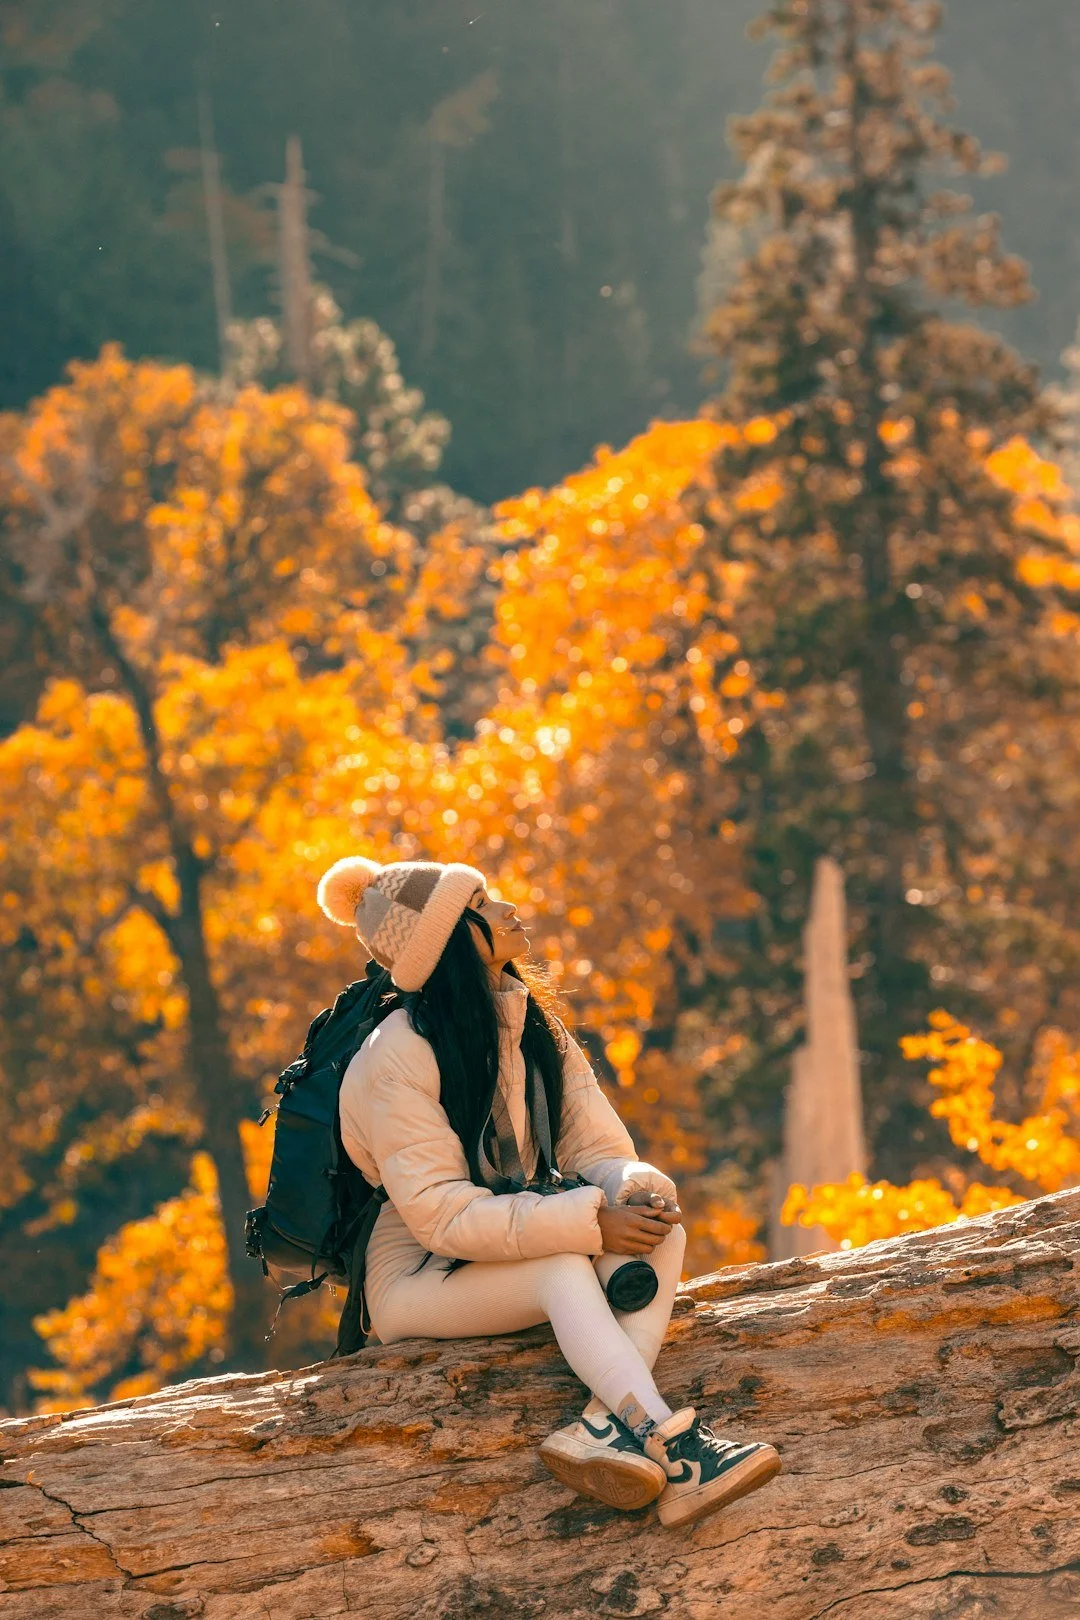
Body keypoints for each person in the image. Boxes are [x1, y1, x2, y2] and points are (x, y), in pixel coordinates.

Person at [318, 852, 781, 1529]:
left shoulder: (531, 1027)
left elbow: (597, 1151)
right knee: (564, 1266)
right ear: (446, 942)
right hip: (416, 1275)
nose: (507, 909)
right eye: (481, 907)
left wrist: (637, 1189)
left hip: (515, 1237)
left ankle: (602, 1426)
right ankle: (677, 1450)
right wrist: (593, 1227)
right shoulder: (396, 1057)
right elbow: (443, 1219)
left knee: (664, 1233)